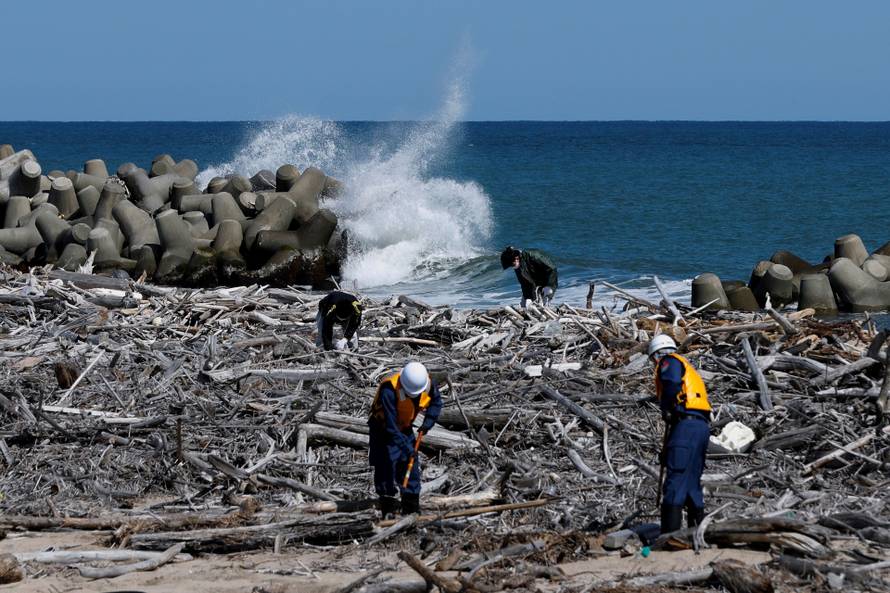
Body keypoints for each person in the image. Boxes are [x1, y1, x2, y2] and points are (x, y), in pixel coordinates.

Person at [648, 334, 712, 534]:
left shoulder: (669, 361)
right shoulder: (688, 366)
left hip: (686, 425)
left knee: (676, 477)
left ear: (657, 354)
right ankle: (697, 533)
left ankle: (668, 536)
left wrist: (667, 408)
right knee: (692, 481)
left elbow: (672, 382)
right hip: (700, 427)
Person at [367, 361, 443, 517]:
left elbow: (436, 402)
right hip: (383, 430)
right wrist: (408, 448)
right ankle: (387, 508)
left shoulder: (426, 384)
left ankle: (411, 508)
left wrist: (428, 423)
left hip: (404, 427)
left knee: (410, 466)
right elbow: (391, 428)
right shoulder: (389, 390)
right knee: (386, 466)